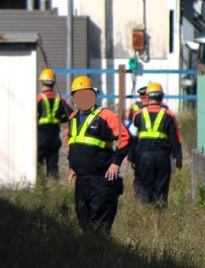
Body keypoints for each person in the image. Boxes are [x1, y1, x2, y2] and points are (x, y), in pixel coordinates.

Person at [65, 75, 129, 234]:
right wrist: (73, 167)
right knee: (84, 221)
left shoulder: (106, 115)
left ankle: (102, 254)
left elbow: (125, 137)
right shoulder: (73, 118)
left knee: (100, 224)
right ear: (74, 98)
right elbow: (72, 142)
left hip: (101, 180)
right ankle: (90, 253)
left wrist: (116, 163)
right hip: (82, 180)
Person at [128, 81, 184, 207]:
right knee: (161, 187)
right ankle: (159, 213)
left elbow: (132, 138)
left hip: (142, 158)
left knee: (144, 185)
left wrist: (130, 157)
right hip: (162, 158)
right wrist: (178, 157)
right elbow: (175, 138)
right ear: (161, 97)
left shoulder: (138, 115)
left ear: (147, 97)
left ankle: (145, 211)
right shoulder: (168, 115)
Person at [35, 67, 72, 180]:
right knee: (53, 167)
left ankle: (39, 187)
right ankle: (54, 186)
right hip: (54, 137)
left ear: (42, 83)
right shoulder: (60, 100)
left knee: (37, 165)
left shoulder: (38, 99)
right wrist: (60, 120)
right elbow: (70, 115)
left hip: (41, 136)